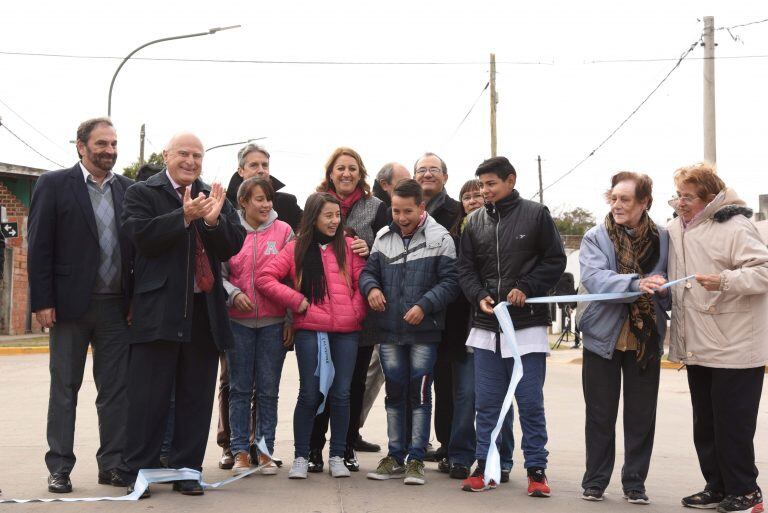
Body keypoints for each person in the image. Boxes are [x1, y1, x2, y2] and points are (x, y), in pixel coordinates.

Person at [118, 132, 245, 498]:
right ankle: (137, 472)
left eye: (197, 156)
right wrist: (183, 217)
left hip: (204, 313)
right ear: (166, 155)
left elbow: (233, 244)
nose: (191, 161)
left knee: (195, 397)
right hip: (157, 311)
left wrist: (210, 222)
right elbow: (140, 236)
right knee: (148, 398)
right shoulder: (142, 192)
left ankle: (187, 470)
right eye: (184, 154)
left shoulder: (212, 195)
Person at [28, 117, 134, 494]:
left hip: (117, 308)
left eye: (114, 144)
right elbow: (39, 246)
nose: (110, 151)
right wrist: (42, 301)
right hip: (70, 306)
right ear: (81, 146)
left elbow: (136, 249)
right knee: (65, 389)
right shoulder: (54, 184)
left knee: (116, 391)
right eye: (102, 144)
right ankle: (59, 467)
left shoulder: (128, 189)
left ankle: (114, 465)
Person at [457, 156, 566, 496]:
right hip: (487, 328)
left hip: (527, 328)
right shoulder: (472, 223)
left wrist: (527, 287)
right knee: (486, 403)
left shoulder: (537, 214)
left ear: (510, 180)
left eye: (491, 184)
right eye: (481, 185)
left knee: (530, 401)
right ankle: (484, 466)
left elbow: (555, 260)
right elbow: (465, 270)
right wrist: (478, 297)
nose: (485, 191)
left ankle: (537, 470)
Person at [666, 162, 768, 513]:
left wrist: (725, 280)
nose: (680, 203)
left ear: (710, 198)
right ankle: (717, 486)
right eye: (678, 195)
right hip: (698, 343)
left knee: (732, 426)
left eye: (688, 197)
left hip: (736, 344)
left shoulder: (736, 227)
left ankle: (745, 491)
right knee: (706, 424)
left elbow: (764, 271)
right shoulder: (676, 229)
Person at [255, 192, 367, 479]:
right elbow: (264, 277)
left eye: (337, 215)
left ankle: (338, 455)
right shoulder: (296, 248)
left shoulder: (350, 246)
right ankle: (302, 456)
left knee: (341, 394)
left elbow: (362, 282)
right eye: (327, 215)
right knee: (310, 394)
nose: (334, 221)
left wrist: (354, 313)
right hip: (310, 332)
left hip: (346, 333)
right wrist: (296, 300)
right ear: (313, 216)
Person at [578, 172, 670, 505]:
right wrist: (635, 284)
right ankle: (595, 480)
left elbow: (670, 280)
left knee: (641, 416)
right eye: (613, 198)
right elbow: (595, 278)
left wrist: (664, 289)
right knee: (600, 415)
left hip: (645, 336)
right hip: (602, 335)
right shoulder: (595, 236)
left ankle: (635, 483)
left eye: (625, 199)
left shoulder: (663, 237)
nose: (617, 205)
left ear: (644, 202)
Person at [361, 179, 458, 485]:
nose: (401, 218)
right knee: (394, 394)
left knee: (419, 395)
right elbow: (368, 272)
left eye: (407, 211)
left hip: (424, 333)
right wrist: (371, 288)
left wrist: (425, 306)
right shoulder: (382, 236)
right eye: (395, 210)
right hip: (389, 332)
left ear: (421, 207)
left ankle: (416, 457)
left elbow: (451, 282)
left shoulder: (441, 238)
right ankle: (395, 455)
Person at [218, 143, 302, 469]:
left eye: (269, 199)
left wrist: (290, 318)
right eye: (259, 199)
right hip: (237, 323)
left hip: (272, 323)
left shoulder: (284, 232)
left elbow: (295, 280)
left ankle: (264, 450)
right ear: (243, 201)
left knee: (268, 391)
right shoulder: (230, 229)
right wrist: (232, 293)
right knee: (239, 389)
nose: (265, 204)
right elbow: (220, 273)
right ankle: (239, 450)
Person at [309, 147, 388, 472]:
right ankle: (314, 447)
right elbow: (302, 250)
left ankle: (347, 446)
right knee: (321, 383)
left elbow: (388, 251)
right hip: (321, 311)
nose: (346, 173)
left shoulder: (376, 208)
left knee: (354, 384)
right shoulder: (314, 202)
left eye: (352, 169)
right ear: (331, 172)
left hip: (361, 313)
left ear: (361, 173)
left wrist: (369, 250)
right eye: (340, 168)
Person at [442, 179, 515, 481]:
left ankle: (503, 458)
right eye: (466, 196)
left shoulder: (503, 230)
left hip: (503, 326)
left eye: (477, 194)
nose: (472, 200)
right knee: (467, 394)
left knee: (503, 397)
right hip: (465, 326)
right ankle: (460, 455)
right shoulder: (457, 235)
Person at [357, 161, 411, 453]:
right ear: (386, 184)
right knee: (373, 372)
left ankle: (412, 439)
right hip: (377, 307)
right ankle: (351, 428)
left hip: (410, 311)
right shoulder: (379, 211)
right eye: (403, 180)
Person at [413, 152, 461, 463]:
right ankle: (411, 445)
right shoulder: (404, 210)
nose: (428, 174)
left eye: (434, 169)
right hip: (411, 312)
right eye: (422, 170)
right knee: (412, 384)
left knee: (446, 383)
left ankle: (447, 444)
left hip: (449, 312)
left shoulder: (458, 211)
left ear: (445, 177)